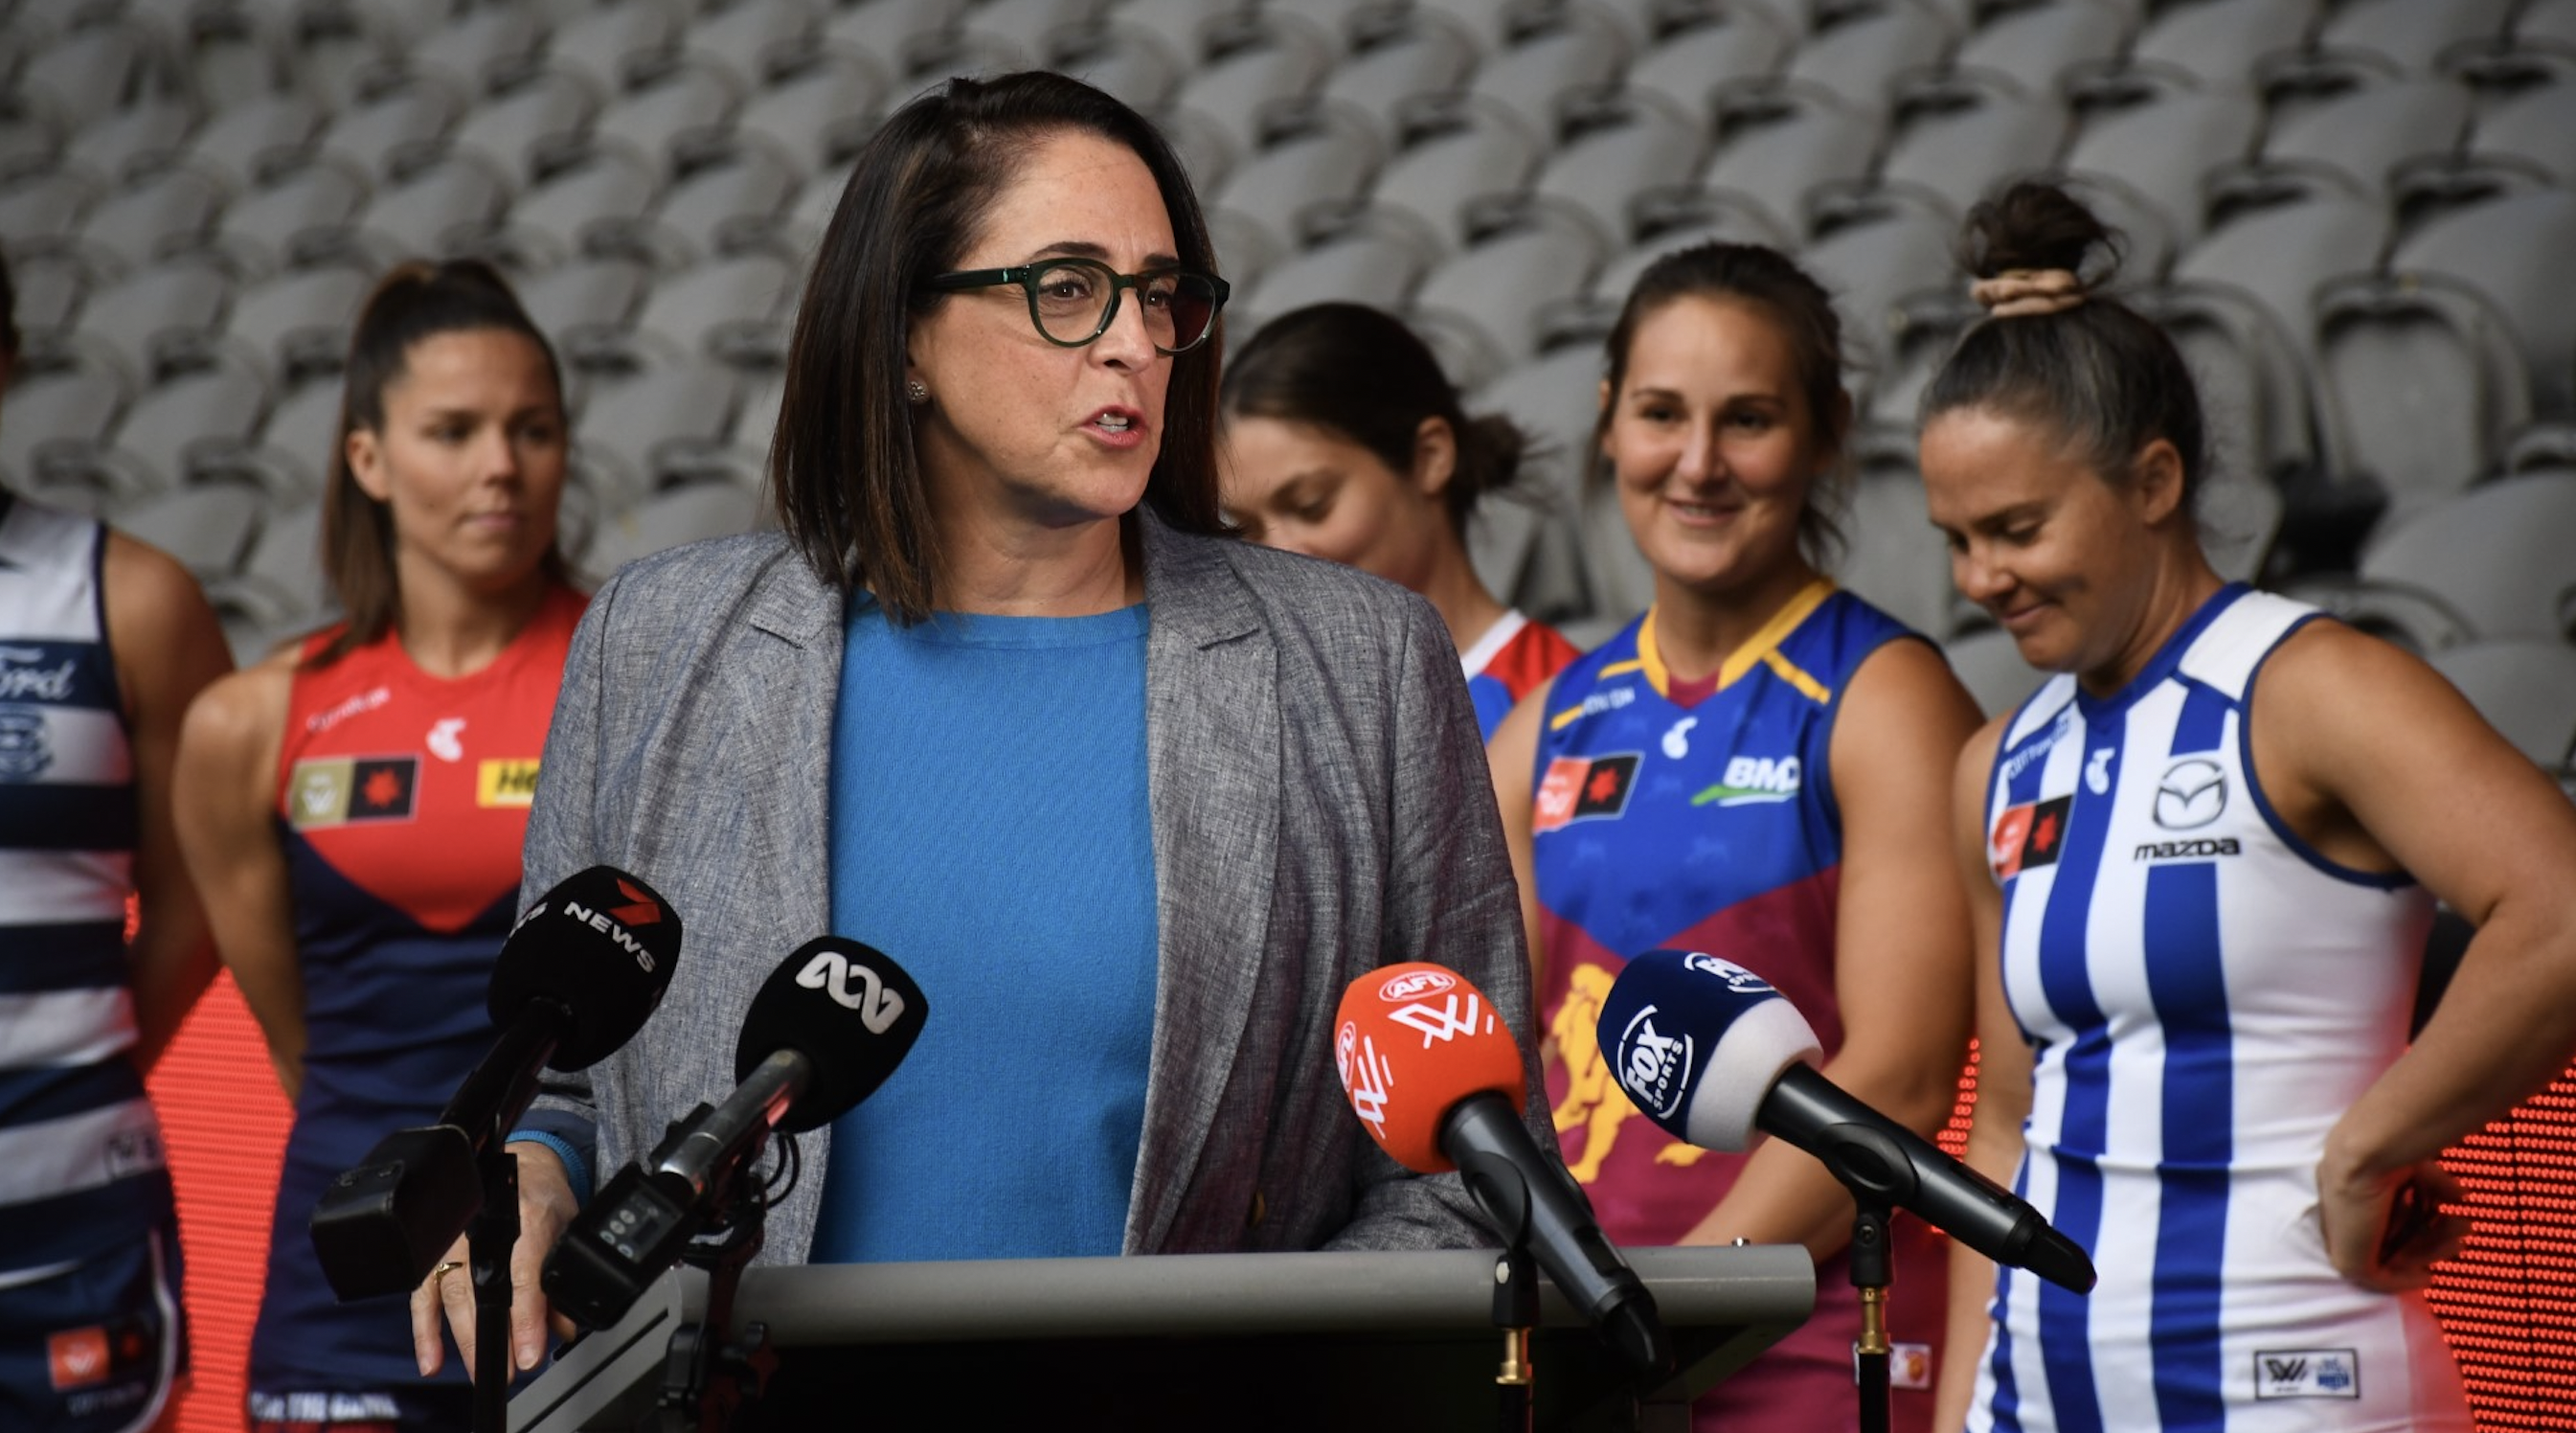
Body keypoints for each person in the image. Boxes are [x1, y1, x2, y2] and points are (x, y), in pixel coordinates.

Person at [412, 71, 1543, 1381]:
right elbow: (564, 1081)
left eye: (1160, 293)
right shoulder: (664, 640)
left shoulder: (1359, 665)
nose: (1133, 343)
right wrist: (532, 1177)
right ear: (902, 337)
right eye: (1066, 290)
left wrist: (1233, 1381)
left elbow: (1476, 1163)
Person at [1922, 182, 2576, 1433]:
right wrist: (1961, 1411)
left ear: (2153, 479)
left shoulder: (2308, 685)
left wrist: (2370, 1146)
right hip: (2039, 1398)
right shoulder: (1996, 764)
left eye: (2013, 529)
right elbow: (2002, 1128)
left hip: (2295, 1384)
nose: (1978, 580)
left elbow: (2554, 909)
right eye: (1954, 540)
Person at [1488, 242, 1982, 1432]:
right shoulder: (1550, 723)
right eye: (1662, 414)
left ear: (1826, 434)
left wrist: (1671, 1300)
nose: (1697, 463)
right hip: (1591, 1332)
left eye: (1747, 419)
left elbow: (1902, 1074)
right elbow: (1488, 1068)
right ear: (1610, 423)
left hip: (1799, 1333)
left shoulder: (1886, 695)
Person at [172, 260, 583, 1428]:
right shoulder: (250, 721)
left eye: (532, 429)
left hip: (569, 1273)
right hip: (340, 1276)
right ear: (366, 458)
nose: (500, 466)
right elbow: (301, 1043)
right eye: (451, 431)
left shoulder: (640, 676)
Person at [0, 255, 230, 1430]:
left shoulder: (128, 599)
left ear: (7, 352)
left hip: (71, 1241)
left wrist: (94, 1060)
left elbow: (208, 890)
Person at [1219, 302, 1579, 739]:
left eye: (1312, 505)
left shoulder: (1565, 703)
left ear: (1430, 457)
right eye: (1246, 529)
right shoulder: (1251, 713)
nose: (1277, 555)